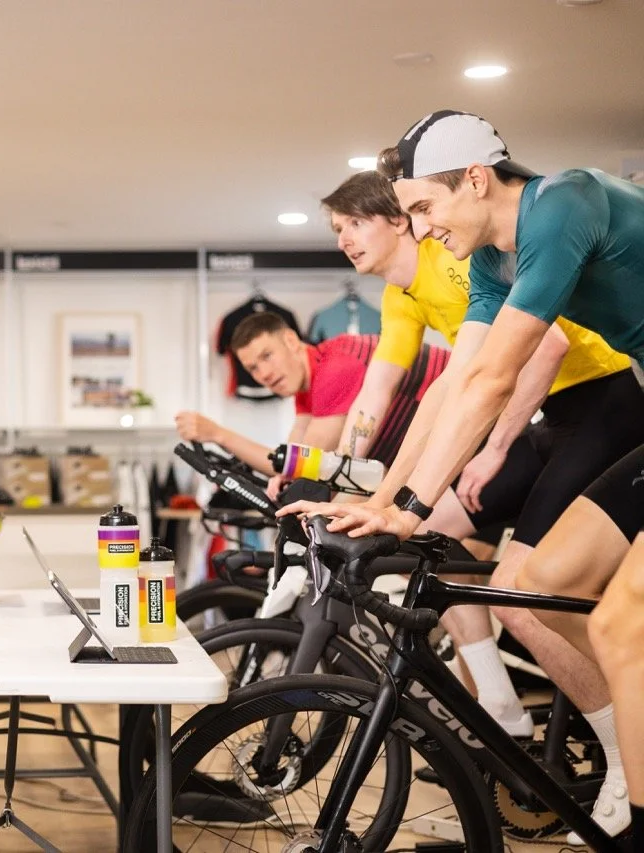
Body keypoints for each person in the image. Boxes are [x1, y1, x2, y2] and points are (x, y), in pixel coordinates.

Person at [281, 110, 644, 842]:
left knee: (618, 619)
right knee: (543, 585)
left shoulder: (566, 202)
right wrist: (387, 499)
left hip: (608, 406)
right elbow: (455, 383)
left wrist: (413, 506)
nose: (420, 227)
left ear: (476, 179)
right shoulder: (490, 262)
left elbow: (499, 378)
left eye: (423, 208)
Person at [316, 168, 639, 738]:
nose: (344, 238)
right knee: (435, 534)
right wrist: (371, 494)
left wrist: (491, 449)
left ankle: (616, 750)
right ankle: (497, 699)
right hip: (548, 419)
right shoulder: (418, 289)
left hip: (599, 403)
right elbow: (422, 388)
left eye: (356, 222)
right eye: (337, 228)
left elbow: (533, 355)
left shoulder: (475, 249)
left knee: (522, 594)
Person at [175, 313, 447, 477]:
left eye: (267, 356)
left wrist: (217, 434)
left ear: (292, 341)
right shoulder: (309, 382)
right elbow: (290, 458)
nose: (264, 374)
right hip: (447, 438)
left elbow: (297, 467)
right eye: (253, 368)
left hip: (472, 424)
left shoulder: (334, 368)